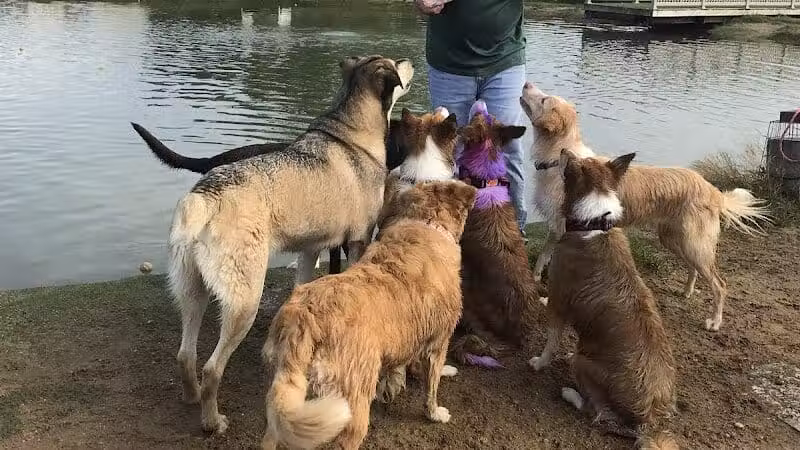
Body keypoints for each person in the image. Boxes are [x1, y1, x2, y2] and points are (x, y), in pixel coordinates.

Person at [414, 0, 528, 233]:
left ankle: (514, 233)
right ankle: (453, 234)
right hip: (449, 66)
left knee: (506, 149)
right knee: (450, 151)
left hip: (504, 60)